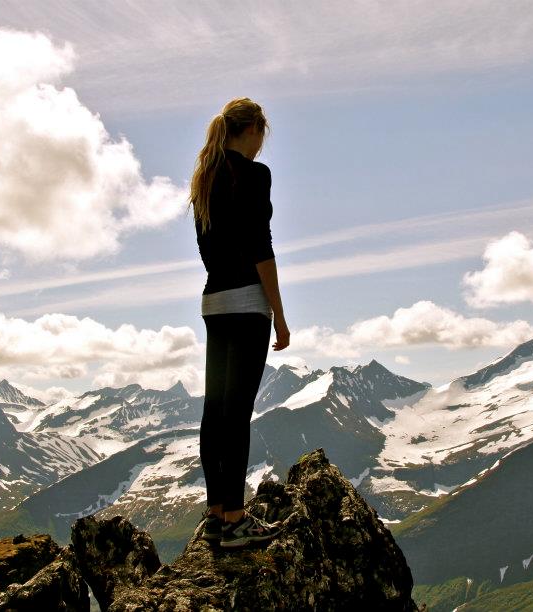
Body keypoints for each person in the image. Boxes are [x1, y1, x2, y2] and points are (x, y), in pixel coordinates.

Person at [187, 97, 290, 549]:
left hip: (213, 302)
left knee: (214, 412)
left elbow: (208, 248)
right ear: (253, 130)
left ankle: (215, 514)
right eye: (262, 133)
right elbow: (261, 246)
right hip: (248, 302)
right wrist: (279, 315)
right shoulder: (254, 174)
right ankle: (235, 520)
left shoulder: (205, 178)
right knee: (237, 416)